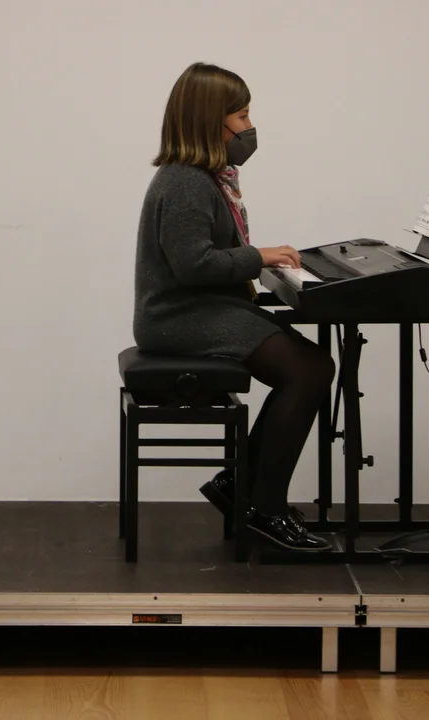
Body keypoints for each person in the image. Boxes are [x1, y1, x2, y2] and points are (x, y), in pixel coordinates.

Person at [132, 62, 335, 552]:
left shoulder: (204, 178)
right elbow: (193, 265)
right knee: (309, 370)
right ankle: (264, 507)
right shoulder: (186, 182)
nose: (249, 127)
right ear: (211, 121)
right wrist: (259, 257)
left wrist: (257, 263)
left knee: (310, 366)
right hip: (176, 318)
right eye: (241, 117)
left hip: (199, 309)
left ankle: (241, 484)